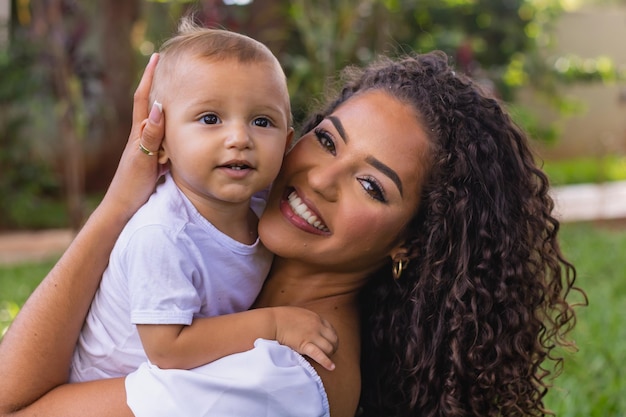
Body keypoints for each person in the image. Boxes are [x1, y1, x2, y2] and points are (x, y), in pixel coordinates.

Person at [0, 49, 584, 417]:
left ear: (414, 242)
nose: (319, 179)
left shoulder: (270, 380)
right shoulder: (228, 232)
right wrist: (126, 198)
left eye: (372, 186)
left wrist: (109, 214)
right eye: (327, 139)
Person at [68, 19, 339, 384]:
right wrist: (274, 324)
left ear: (287, 141)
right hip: (103, 390)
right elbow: (169, 349)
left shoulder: (263, 210)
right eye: (210, 118)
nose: (239, 137)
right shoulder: (163, 233)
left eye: (262, 121)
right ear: (161, 141)